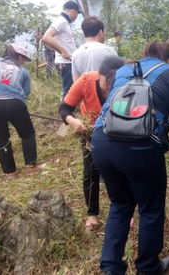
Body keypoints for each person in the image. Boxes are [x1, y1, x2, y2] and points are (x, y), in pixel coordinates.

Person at [90, 42, 169, 275]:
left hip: (101, 140)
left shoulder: (123, 70)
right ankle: (148, 268)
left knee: (120, 205)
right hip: (140, 146)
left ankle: (110, 268)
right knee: (150, 209)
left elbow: (109, 105)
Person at [59, 56, 125, 229]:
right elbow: (64, 108)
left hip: (117, 130)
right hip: (89, 131)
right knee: (91, 169)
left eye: (113, 83)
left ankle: (121, 209)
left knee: (118, 169)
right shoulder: (86, 80)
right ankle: (92, 212)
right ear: (100, 75)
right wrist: (72, 121)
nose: (108, 88)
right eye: (106, 82)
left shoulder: (125, 85)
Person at [0, 44, 39, 177]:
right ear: (18, 57)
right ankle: (30, 165)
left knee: (0, 138)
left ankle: (10, 172)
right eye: (23, 59)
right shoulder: (22, 71)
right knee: (27, 134)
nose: (23, 62)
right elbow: (26, 92)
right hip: (14, 103)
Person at [42, 0, 82, 97]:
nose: (76, 17)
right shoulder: (61, 21)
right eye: (77, 14)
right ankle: (64, 110)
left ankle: (67, 108)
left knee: (70, 88)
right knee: (68, 90)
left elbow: (46, 40)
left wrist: (58, 50)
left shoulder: (62, 21)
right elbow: (46, 37)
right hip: (65, 62)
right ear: (73, 10)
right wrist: (63, 51)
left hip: (66, 61)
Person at [71, 16, 118, 81]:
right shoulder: (109, 51)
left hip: (86, 90)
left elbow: (76, 82)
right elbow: (118, 76)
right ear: (100, 32)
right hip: (107, 90)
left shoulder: (75, 54)